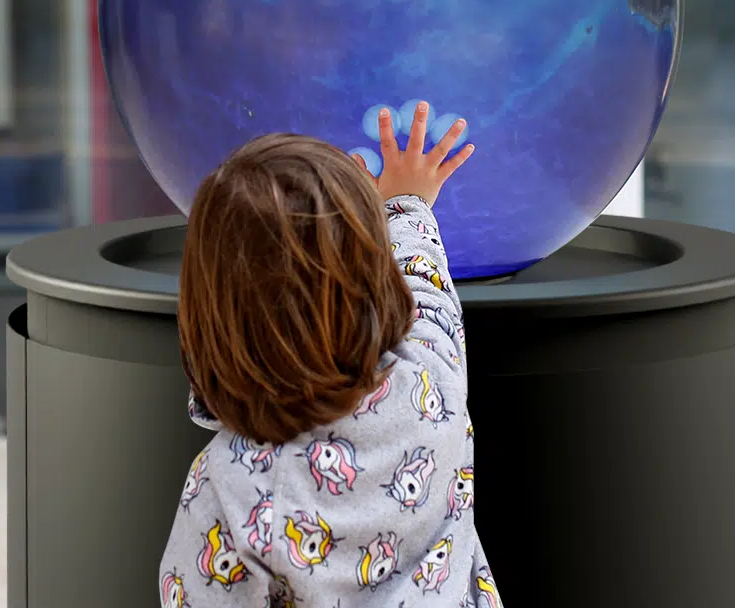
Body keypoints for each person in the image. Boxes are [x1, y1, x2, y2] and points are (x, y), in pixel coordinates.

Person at [160, 102, 498, 607]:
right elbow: (426, 288)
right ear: (378, 289)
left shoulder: (230, 489)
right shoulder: (432, 384)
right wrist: (405, 201)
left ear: (208, 317)